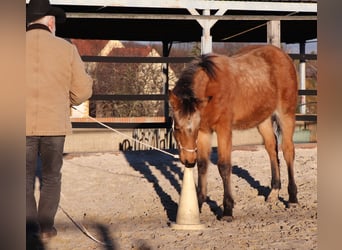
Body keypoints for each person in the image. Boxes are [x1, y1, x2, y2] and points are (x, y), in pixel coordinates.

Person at [26, 0, 93, 241]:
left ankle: (30, 230)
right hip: (54, 124)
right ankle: (45, 228)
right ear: (51, 22)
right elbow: (83, 91)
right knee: (51, 176)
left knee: (21, 178)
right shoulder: (66, 49)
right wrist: (69, 99)